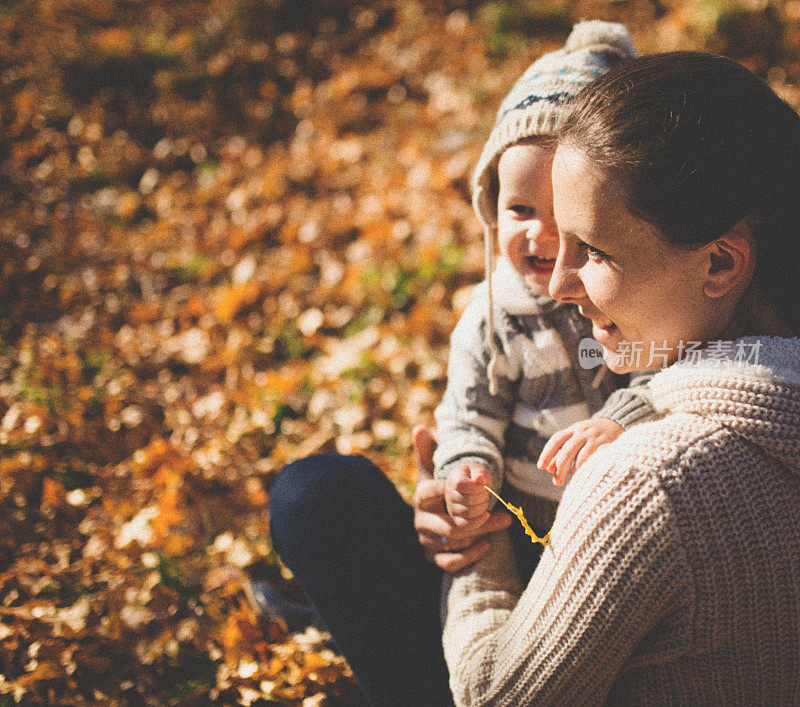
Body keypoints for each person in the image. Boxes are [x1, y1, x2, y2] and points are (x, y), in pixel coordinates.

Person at [440, 51, 800, 705]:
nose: (557, 284)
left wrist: (479, 550)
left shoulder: (646, 482)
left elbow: (496, 697)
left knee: (320, 500)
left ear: (720, 261)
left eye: (595, 251)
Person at [432, 21, 650, 582]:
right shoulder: (491, 318)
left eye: (563, 215)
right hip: (528, 515)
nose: (540, 234)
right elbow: (468, 413)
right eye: (520, 210)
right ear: (490, 205)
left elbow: (669, 373)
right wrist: (467, 471)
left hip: (627, 516)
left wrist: (622, 418)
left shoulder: (633, 295)